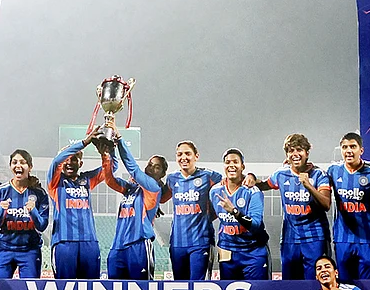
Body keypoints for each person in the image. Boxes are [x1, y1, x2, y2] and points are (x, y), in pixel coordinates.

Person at [247, 134, 331, 280]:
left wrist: (308, 185)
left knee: (314, 283)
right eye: (291, 151)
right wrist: (252, 177)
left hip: (315, 238)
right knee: (289, 284)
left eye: (299, 150)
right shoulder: (281, 174)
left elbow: (326, 204)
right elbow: (264, 185)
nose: (295, 154)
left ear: (307, 153)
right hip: (289, 239)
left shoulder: (319, 174)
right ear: (287, 154)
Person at [101, 120, 167, 280]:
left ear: (162, 174)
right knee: (114, 289)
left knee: (142, 289)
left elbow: (133, 168)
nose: (151, 167)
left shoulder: (153, 187)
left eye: (157, 166)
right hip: (118, 245)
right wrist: (108, 155)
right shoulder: (131, 187)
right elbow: (110, 180)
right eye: (150, 164)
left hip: (139, 243)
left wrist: (119, 138)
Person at [46, 127, 111, 279]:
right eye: (66, 159)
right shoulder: (55, 182)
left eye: (74, 159)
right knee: (64, 288)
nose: (69, 162)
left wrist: (105, 154)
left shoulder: (87, 179)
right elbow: (56, 161)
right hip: (64, 242)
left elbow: (111, 169)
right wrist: (84, 142)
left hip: (89, 242)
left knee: (91, 288)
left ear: (80, 163)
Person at [160, 141, 222, 280]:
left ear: (196, 156)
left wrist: (210, 215)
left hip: (201, 241)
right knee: (180, 286)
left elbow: (229, 187)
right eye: (179, 154)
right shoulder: (172, 178)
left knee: (199, 286)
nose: (183, 157)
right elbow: (161, 198)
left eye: (188, 153)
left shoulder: (209, 176)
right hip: (177, 243)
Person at [327, 132, 370, 281]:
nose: (349, 151)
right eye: (345, 147)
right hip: (343, 238)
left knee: (369, 285)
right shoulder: (333, 171)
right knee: (345, 284)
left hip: (369, 238)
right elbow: (316, 179)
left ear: (361, 150)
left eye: (353, 146)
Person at [209, 149, 270, 280]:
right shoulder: (215, 191)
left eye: (235, 162)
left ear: (242, 166)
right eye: (227, 162)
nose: (231, 165)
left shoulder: (253, 191)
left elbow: (255, 225)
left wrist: (234, 211)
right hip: (227, 250)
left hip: (253, 251)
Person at [0, 149, 49, 279]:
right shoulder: (0, 191)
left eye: (22, 162)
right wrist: (2, 211)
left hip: (29, 250)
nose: (18, 165)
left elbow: (42, 225)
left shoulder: (40, 193)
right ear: (10, 166)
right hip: (4, 248)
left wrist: (33, 211)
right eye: (14, 162)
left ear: (30, 167)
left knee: (30, 287)